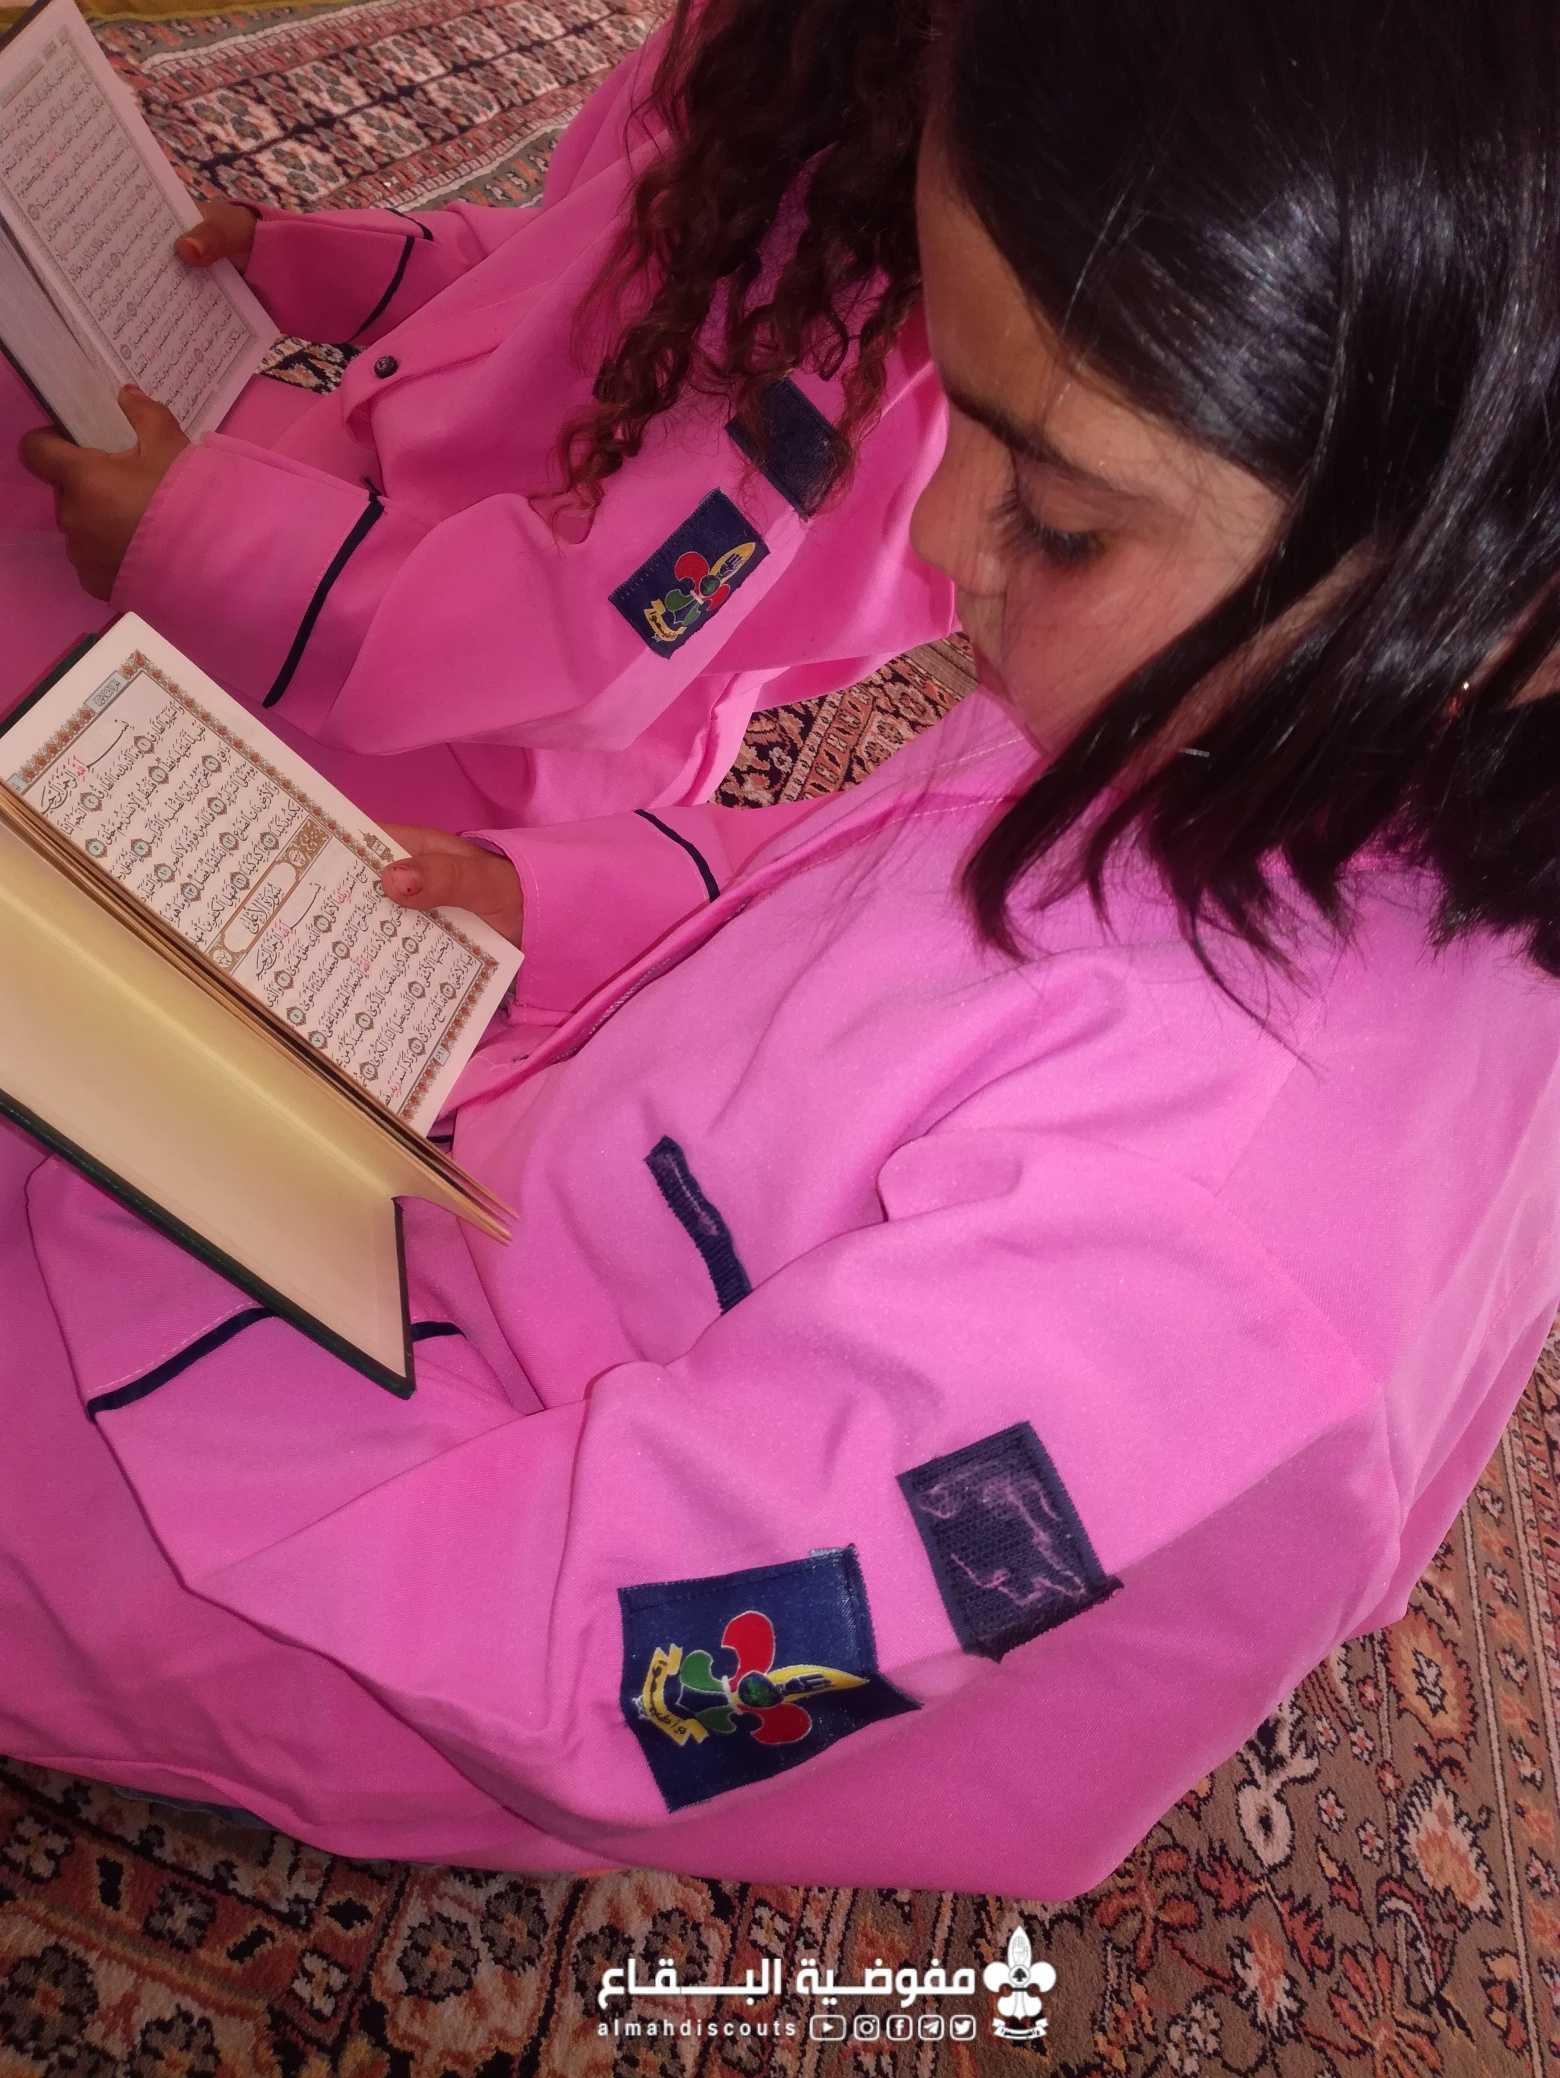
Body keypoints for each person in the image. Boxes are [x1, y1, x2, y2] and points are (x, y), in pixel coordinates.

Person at [4, 0, 1560, 1899]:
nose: (946, 533)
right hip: (502, 1247)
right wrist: (549, 900)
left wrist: (173, 1261)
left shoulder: (1197, 1254)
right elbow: (872, 867)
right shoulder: (1256, 709)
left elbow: (626, 1678)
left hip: (427, 1575)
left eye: (1061, 519)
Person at [3, 0, 952, 831]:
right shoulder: (762, 44)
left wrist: (194, 542)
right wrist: (300, 259)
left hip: (489, 724)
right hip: (395, 534)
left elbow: (584, 644)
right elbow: (573, 259)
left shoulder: (867, 308)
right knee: (39, 414)